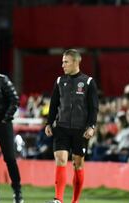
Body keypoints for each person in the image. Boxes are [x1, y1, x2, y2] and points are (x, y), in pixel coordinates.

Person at [45, 49, 99, 203]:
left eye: (66, 61)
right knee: (61, 159)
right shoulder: (59, 81)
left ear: (76, 62)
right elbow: (54, 104)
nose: (62, 65)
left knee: (78, 164)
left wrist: (92, 126)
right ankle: (58, 199)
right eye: (62, 61)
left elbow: (94, 107)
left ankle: (74, 201)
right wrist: (49, 122)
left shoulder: (88, 82)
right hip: (61, 128)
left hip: (80, 130)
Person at [0, 56, 23, 203]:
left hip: (3, 125)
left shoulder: (2, 80)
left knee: (9, 158)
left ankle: (17, 191)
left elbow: (14, 99)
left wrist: (5, 118)